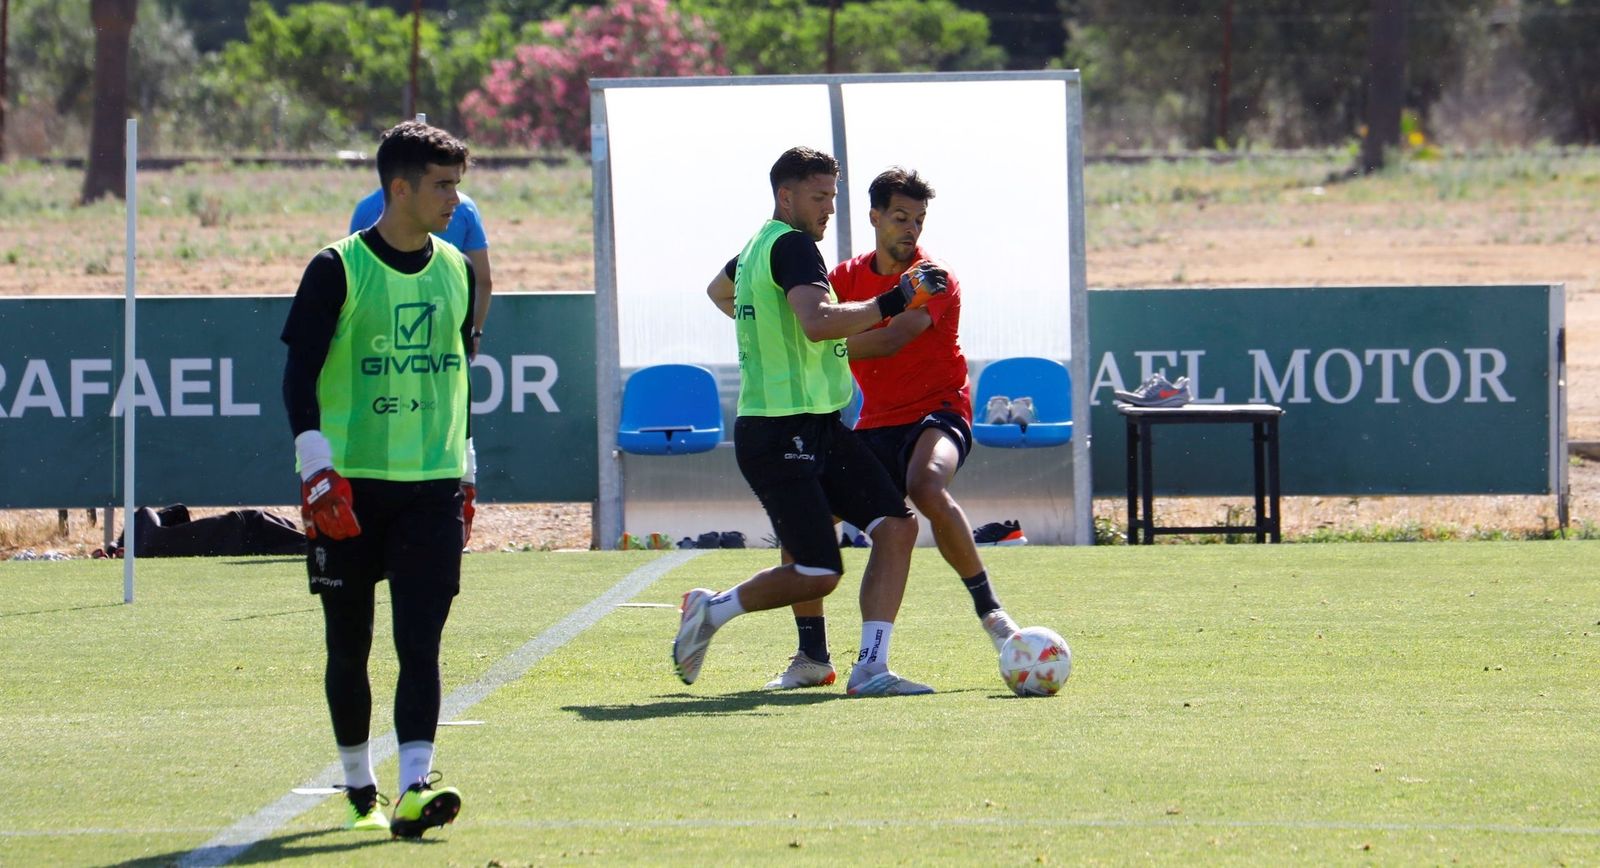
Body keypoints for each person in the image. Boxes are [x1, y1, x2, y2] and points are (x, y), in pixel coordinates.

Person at [683, 146, 948, 697]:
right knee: (819, 569)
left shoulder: (759, 246)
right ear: (787, 196)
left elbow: (719, 292)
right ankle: (711, 611)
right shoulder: (796, 246)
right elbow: (818, 322)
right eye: (819, 196)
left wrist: (762, 332)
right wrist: (896, 297)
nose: (829, 207)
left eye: (832, 195)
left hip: (819, 425)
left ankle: (869, 667)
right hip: (780, 432)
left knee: (897, 528)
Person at [282, 120, 478, 837]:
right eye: (443, 185)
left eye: (457, 184)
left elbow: (458, 373)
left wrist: (467, 467)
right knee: (349, 642)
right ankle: (360, 783)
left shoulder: (457, 267)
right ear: (400, 188)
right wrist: (315, 469)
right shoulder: (335, 268)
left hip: (430, 486)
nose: (455, 199)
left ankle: (416, 784)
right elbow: (298, 374)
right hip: (350, 488)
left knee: (420, 640)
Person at [763, 167, 1021, 690]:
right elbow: (800, 319)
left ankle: (991, 613)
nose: (911, 229)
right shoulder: (842, 279)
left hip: (940, 412)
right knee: (803, 519)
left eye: (919, 220)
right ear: (875, 217)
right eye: (901, 217)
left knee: (926, 484)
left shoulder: (934, 277)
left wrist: (817, 341)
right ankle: (813, 657)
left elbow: (888, 339)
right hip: (876, 422)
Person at [350, 178, 492, 358]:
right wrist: (474, 332)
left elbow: (356, 277)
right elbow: (483, 281)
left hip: (380, 332)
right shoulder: (465, 207)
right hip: (445, 327)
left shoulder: (366, 207)